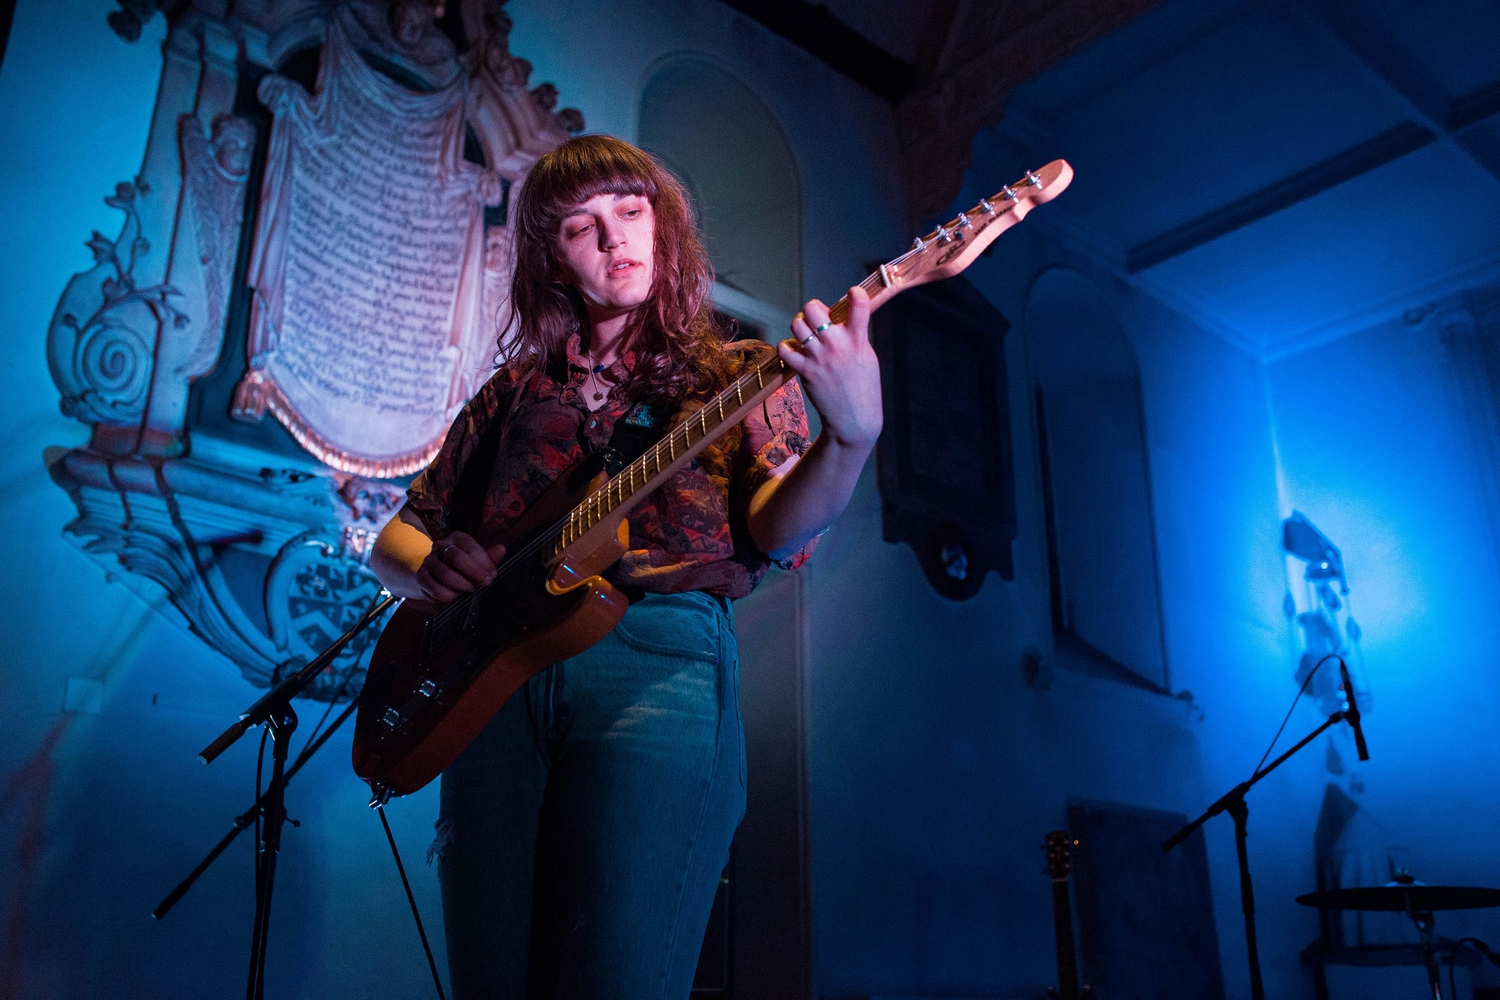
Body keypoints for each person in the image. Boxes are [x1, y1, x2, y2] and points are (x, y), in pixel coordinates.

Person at [370, 134, 881, 999]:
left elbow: (782, 533)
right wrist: (430, 572)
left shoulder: (737, 373)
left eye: (632, 212)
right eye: (582, 226)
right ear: (552, 257)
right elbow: (398, 537)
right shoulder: (513, 393)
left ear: (664, 225)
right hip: (493, 677)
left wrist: (853, 436)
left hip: (655, 661)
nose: (615, 240)